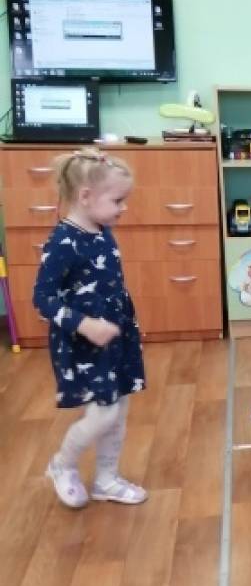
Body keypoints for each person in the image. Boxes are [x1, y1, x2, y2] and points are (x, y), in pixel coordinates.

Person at [33, 150, 147, 509]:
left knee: (119, 409)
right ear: (85, 196)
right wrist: (84, 324)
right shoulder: (62, 243)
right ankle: (62, 464)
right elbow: (42, 299)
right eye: (117, 200)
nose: (123, 208)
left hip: (114, 337)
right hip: (84, 344)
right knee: (105, 413)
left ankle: (106, 479)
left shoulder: (101, 230)